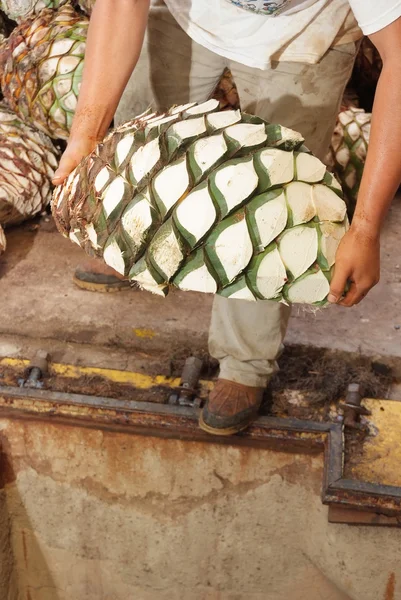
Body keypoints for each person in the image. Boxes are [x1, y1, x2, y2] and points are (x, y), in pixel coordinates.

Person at [52, 0, 401, 436]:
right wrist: (85, 134)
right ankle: (132, 247)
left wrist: (365, 225)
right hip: (186, 13)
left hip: (305, 34)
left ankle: (245, 365)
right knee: (144, 143)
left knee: (274, 209)